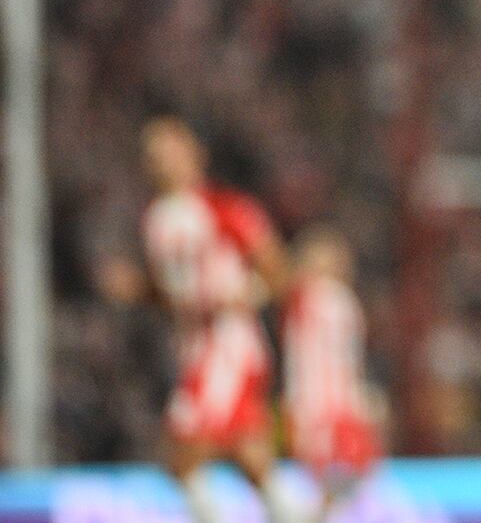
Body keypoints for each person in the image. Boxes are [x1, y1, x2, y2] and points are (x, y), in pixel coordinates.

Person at [105, 117, 298, 523]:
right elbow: (174, 297)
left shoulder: (225, 208)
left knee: (181, 452)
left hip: (227, 343)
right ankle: (295, 514)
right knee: (248, 455)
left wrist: (247, 295)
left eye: (168, 151)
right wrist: (139, 289)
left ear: (195, 154)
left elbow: (277, 269)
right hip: (193, 346)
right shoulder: (155, 220)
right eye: (152, 156)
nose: (159, 162)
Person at [282, 225, 381, 522]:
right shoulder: (311, 297)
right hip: (318, 405)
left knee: (351, 470)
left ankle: (322, 514)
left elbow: (348, 358)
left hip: (336, 404)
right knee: (331, 473)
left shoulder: (338, 300)